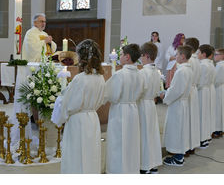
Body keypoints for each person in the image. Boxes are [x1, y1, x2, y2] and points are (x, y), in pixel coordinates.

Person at [51, 39, 105, 174]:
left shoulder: (80, 78)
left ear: (82, 58)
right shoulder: (100, 77)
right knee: (90, 156)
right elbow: (100, 100)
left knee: (76, 156)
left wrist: (60, 101)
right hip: (92, 118)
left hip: (78, 121)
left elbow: (69, 104)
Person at [104, 43, 143, 174]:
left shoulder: (120, 75)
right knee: (131, 142)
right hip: (133, 109)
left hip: (120, 111)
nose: (119, 57)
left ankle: (118, 172)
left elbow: (110, 94)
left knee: (118, 143)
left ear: (127, 57)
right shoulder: (140, 74)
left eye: (121, 54)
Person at [160, 45, 193, 166]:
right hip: (182, 102)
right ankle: (179, 155)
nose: (176, 56)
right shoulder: (188, 69)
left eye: (177, 54)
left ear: (183, 56)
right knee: (180, 129)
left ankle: (178, 158)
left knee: (176, 130)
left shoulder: (181, 71)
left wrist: (165, 96)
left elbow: (176, 90)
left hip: (177, 104)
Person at [137, 42, 162, 174]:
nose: (140, 58)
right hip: (151, 104)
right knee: (151, 134)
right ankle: (153, 164)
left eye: (141, 56)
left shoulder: (143, 72)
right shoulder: (156, 71)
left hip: (142, 105)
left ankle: (145, 165)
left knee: (144, 135)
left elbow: (138, 91)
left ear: (146, 55)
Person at [184, 37, 201, 155]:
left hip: (188, 90)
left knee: (187, 120)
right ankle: (191, 145)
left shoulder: (189, 61)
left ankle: (185, 146)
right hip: (194, 90)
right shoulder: (198, 60)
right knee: (192, 120)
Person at [197, 44, 213, 148]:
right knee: (205, 115)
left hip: (201, 91)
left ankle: (202, 139)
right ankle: (205, 137)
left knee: (201, 115)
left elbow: (200, 81)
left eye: (198, 52)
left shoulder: (202, 65)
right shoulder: (210, 64)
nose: (197, 54)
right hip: (206, 90)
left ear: (203, 54)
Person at [213, 49, 224, 137]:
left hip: (218, 89)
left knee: (218, 110)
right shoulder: (221, 65)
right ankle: (219, 129)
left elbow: (217, 80)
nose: (214, 56)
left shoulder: (220, 66)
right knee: (219, 109)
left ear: (222, 56)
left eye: (216, 54)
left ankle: (217, 130)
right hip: (220, 88)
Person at [207, 47, 217, 140]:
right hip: (208, 89)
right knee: (207, 113)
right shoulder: (211, 65)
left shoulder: (204, 65)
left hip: (204, 90)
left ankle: (205, 136)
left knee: (205, 114)